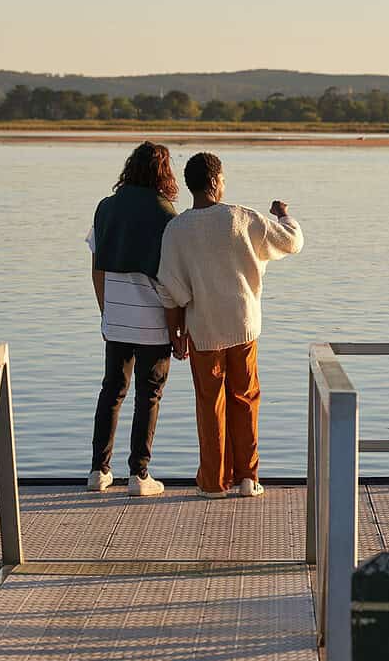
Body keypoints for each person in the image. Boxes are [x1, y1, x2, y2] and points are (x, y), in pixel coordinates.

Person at [156, 152, 303, 499]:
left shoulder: (177, 229)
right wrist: (283, 214)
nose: (224, 184)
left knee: (210, 404)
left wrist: (175, 332)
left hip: (204, 329)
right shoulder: (242, 217)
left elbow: (170, 290)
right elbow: (292, 242)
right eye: (222, 179)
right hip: (243, 324)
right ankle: (247, 478)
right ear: (214, 182)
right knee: (245, 399)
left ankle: (213, 482)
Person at [85, 141, 183, 496]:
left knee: (111, 390)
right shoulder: (166, 215)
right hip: (153, 320)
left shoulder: (106, 208)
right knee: (149, 394)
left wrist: (106, 312)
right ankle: (139, 475)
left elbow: (97, 268)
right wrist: (179, 328)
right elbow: (172, 279)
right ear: (163, 172)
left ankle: (98, 470)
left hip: (116, 317)